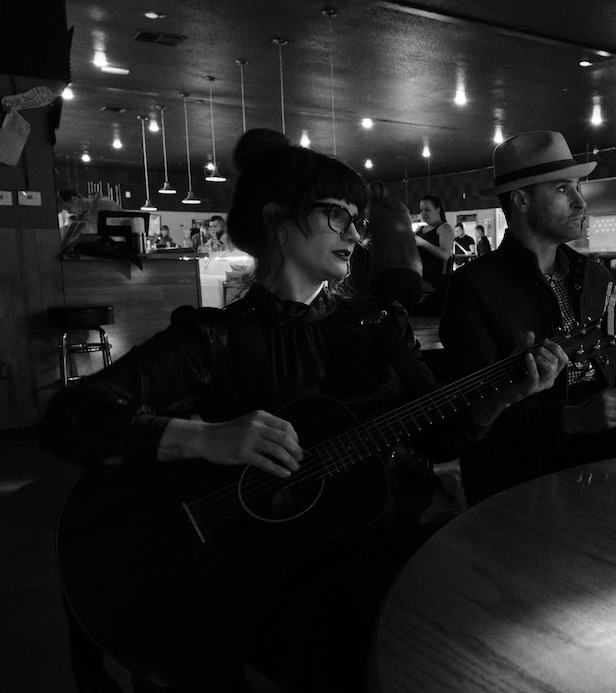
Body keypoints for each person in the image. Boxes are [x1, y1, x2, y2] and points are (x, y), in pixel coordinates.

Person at [40, 128, 566, 692]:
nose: (356, 235)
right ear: (277, 220)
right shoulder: (213, 337)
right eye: (337, 216)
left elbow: (438, 437)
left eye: (357, 220)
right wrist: (205, 438)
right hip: (262, 574)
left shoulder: (378, 324)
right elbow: (71, 416)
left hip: (377, 551)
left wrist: (502, 397)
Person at [439, 130, 616, 506]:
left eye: (577, 187)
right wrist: (573, 418)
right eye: (563, 189)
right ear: (521, 200)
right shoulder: (474, 286)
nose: (580, 202)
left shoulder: (594, 277)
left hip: (604, 437)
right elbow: (473, 413)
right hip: (534, 454)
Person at [354, 181, 423, 311]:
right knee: (410, 317)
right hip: (415, 270)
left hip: (385, 269)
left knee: (387, 316)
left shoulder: (370, 209)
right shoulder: (402, 209)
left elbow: (359, 237)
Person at [413, 195, 454, 314]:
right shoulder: (419, 229)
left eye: (427, 210)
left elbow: (445, 255)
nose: (423, 213)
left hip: (433, 278)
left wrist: (423, 243)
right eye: (421, 210)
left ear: (438, 210)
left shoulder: (444, 228)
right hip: (418, 274)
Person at [57, 188, 121, 252]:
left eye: (68, 208)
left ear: (74, 199)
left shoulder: (104, 205)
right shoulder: (79, 217)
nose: (69, 212)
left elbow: (110, 233)